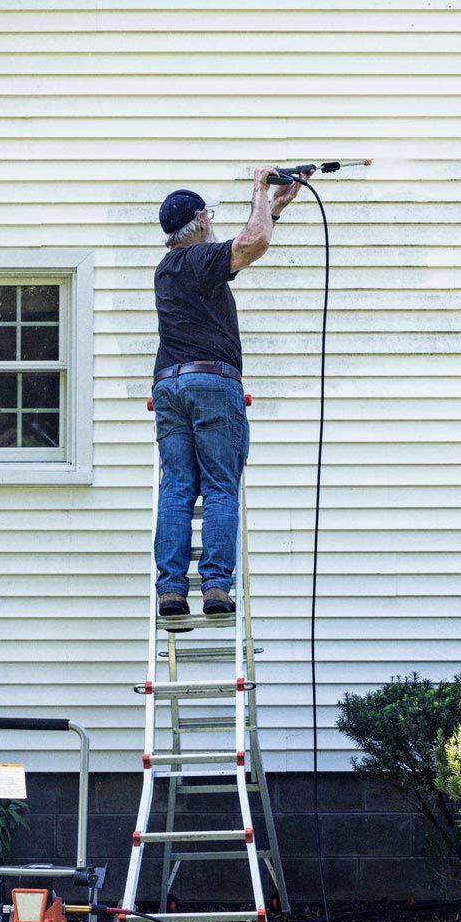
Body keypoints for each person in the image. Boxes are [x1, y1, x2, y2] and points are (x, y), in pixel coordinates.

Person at [151, 167, 305, 618]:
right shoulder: (200, 259)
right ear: (200, 221)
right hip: (211, 384)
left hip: (169, 386)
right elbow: (251, 245)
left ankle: (171, 591)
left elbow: (249, 240)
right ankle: (216, 587)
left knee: (178, 487)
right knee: (220, 486)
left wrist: (273, 207)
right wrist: (259, 186)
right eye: (210, 216)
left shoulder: (169, 269)